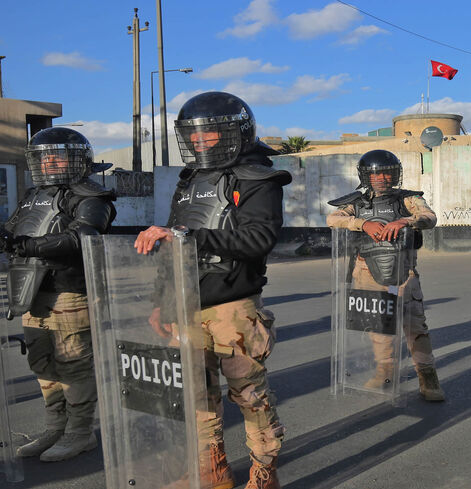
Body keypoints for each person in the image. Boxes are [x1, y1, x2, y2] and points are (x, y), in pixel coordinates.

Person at [134, 92, 291, 489]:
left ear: (234, 133)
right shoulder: (189, 181)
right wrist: (161, 302)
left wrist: (189, 235)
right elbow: (170, 246)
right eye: (194, 135)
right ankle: (212, 471)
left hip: (232, 309)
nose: (201, 141)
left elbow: (258, 238)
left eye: (211, 133)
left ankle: (264, 472)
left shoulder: (258, 177)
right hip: (185, 305)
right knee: (197, 398)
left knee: (250, 396)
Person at [1, 127, 116, 462]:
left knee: (74, 365)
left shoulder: (92, 196)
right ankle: (55, 429)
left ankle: (80, 434)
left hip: (70, 292)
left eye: (56, 155)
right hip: (31, 291)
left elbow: (82, 237)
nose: (48, 161)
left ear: (76, 160)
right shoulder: (32, 195)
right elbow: (13, 231)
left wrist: (23, 245)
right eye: (42, 156)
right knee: (42, 363)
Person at [327, 149, 446, 402]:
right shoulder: (357, 203)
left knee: (415, 326)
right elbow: (332, 218)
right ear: (366, 176)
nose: (381, 177)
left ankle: (428, 377)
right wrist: (363, 224)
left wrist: (404, 222)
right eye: (375, 173)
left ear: (395, 175)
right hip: (365, 270)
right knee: (377, 325)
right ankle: (385, 372)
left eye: (386, 173)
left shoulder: (408, 200)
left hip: (402, 271)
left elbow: (429, 217)